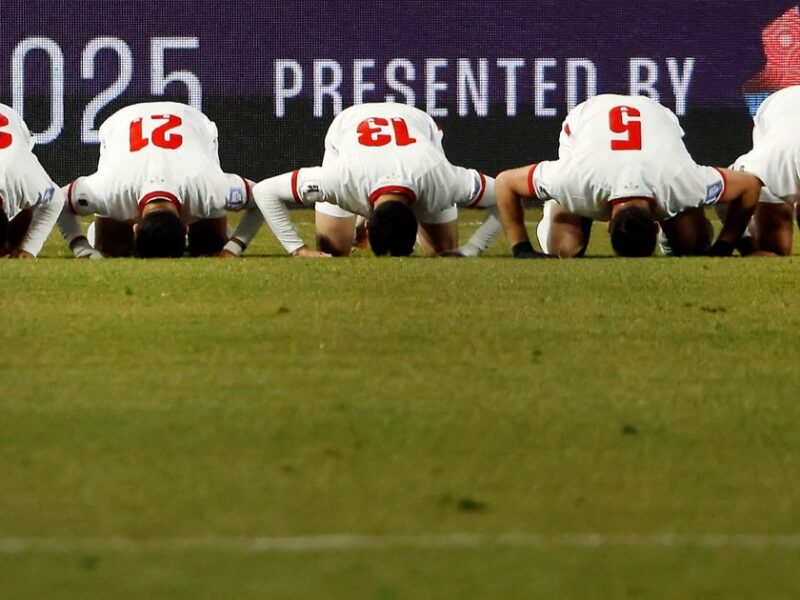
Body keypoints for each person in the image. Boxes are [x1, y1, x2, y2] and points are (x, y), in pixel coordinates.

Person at [495, 94, 762, 258]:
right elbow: (748, 184)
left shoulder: (681, 182)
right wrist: (725, 245)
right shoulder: (575, 180)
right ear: (657, 222)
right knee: (565, 250)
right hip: (585, 124)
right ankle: (558, 204)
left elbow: (504, 182)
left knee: (692, 244)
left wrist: (522, 249)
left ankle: (676, 234)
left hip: (656, 120)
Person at [252, 102, 501, 257]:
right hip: (349, 125)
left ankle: (363, 216)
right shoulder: (340, 177)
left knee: (444, 253)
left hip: (416, 125)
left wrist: (472, 249)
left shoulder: (442, 180)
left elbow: (505, 195)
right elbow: (264, 192)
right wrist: (298, 250)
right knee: (332, 252)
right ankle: (359, 218)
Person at [57, 102, 263, 258]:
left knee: (209, 246)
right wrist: (82, 248)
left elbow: (56, 200)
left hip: (193, 124)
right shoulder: (110, 190)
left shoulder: (208, 188)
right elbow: (56, 201)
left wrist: (231, 247)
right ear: (185, 228)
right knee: (112, 249)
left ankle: (209, 233)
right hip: (121, 124)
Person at [733, 85, 800, 255]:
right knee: (773, 247)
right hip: (777, 107)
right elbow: (725, 194)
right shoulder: (766, 164)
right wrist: (747, 247)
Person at [0, 103, 64, 258]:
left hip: (16, 130)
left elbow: (56, 199)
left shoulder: (24, 180)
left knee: (30, 201)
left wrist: (28, 250)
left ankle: (9, 245)